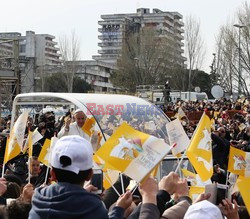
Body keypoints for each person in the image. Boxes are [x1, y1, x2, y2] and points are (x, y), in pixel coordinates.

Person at [29, 135, 132, 219]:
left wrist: (81, 194)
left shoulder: (38, 200)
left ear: (52, 174)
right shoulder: (94, 207)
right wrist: (119, 208)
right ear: (90, 175)